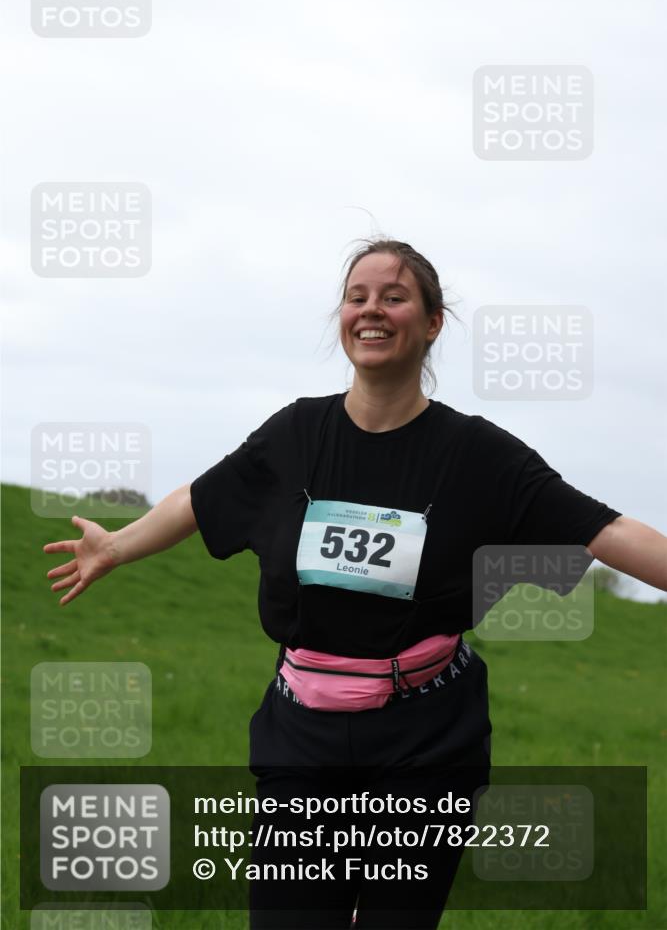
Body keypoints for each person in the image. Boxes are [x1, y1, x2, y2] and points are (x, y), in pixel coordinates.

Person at [44, 238, 667, 929]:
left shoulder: (477, 454)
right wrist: (116, 546)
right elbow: (203, 497)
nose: (371, 311)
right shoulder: (295, 433)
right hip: (300, 735)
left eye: (393, 297)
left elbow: (603, 529)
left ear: (432, 323)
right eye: (357, 297)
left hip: (425, 742)